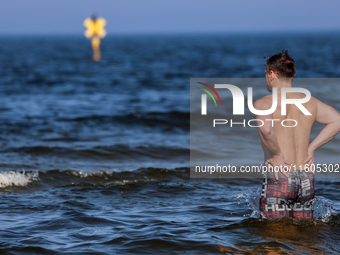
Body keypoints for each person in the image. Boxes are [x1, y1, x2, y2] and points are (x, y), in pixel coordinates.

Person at [254, 50, 340, 219]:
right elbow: (337, 120)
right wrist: (312, 148)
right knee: (304, 238)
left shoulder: (264, 102)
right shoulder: (310, 102)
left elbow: (266, 129)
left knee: (274, 237)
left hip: (281, 176)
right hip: (306, 178)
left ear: (271, 73)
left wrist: (277, 154)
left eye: (265, 73)